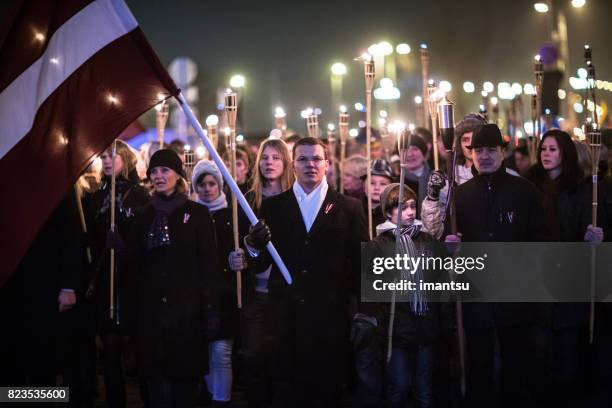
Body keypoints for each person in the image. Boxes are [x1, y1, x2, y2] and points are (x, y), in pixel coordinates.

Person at [245, 137, 369, 407]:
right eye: (303, 158)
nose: (310, 164)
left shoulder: (349, 207)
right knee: (289, 391)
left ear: (327, 164)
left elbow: (362, 264)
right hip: (286, 319)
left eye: (316, 158)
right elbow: (262, 262)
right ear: (294, 165)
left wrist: (364, 311)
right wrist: (254, 245)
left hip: (330, 319)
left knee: (327, 391)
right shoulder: (274, 207)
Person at [444, 124, 548, 407]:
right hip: (476, 297)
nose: (485, 156)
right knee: (479, 368)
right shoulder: (461, 194)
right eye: (478, 150)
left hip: (515, 297)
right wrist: (451, 245)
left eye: (491, 149)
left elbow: (540, 240)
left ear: (503, 152)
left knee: (516, 366)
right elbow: (448, 239)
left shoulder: (524, 191)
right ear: (471, 154)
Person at [128, 149, 218, 408]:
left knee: (184, 381)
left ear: (178, 175)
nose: (158, 175)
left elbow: (208, 264)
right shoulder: (143, 215)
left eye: (165, 170)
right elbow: (135, 265)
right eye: (154, 171)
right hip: (151, 312)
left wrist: (210, 309)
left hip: (187, 311)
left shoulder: (197, 214)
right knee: (153, 383)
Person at [525, 129, 603, 406]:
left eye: (553, 149)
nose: (546, 154)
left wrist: (594, 238)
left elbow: (587, 228)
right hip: (538, 279)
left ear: (565, 153)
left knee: (567, 353)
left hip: (570, 279)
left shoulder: (580, 190)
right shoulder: (531, 186)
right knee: (539, 352)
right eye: (543, 149)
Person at [360, 184, 445, 408]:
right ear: (388, 212)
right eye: (401, 208)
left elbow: (440, 277)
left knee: (424, 388)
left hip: (425, 325)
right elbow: (369, 284)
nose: (409, 212)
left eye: (411, 206)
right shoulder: (378, 245)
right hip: (395, 326)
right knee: (398, 385)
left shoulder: (426, 240)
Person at [83, 140, 150, 408]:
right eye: (104, 157)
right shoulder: (96, 196)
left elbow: (143, 237)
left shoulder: (139, 195)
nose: (107, 161)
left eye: (113, 156)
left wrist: (123, 243)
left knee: (138, 345)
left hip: (131, 279)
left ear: (126, 159)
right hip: (105, 280)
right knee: (109, 349)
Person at [192, 159, 247, 407]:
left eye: (212, 183)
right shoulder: (190, 215)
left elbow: (248, 247)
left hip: (225, 292)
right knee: (204, 352)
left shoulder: (232, 214)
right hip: (200, 294)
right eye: (201, 184)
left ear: (221, 185)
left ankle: (221, 401)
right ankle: (213, 392)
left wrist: (242, 258)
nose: (207, 188)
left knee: (222, 353)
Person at [243, 138, 294, 408]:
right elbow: (242, 243)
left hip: (284, 292)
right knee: (254, 355)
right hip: (256, 292)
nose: (269, 163)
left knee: (281, 357)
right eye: (265, 158)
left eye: (276, 157)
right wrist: (248, 247)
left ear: (286, 162)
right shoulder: (248, 199)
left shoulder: (296, 198)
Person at [360, 159, 394, 237]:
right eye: (372, 183)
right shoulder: (355, 211)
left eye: (383, 183)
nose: (377, 188)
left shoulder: (395, 215)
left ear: (391, 187)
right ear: (363, 185)